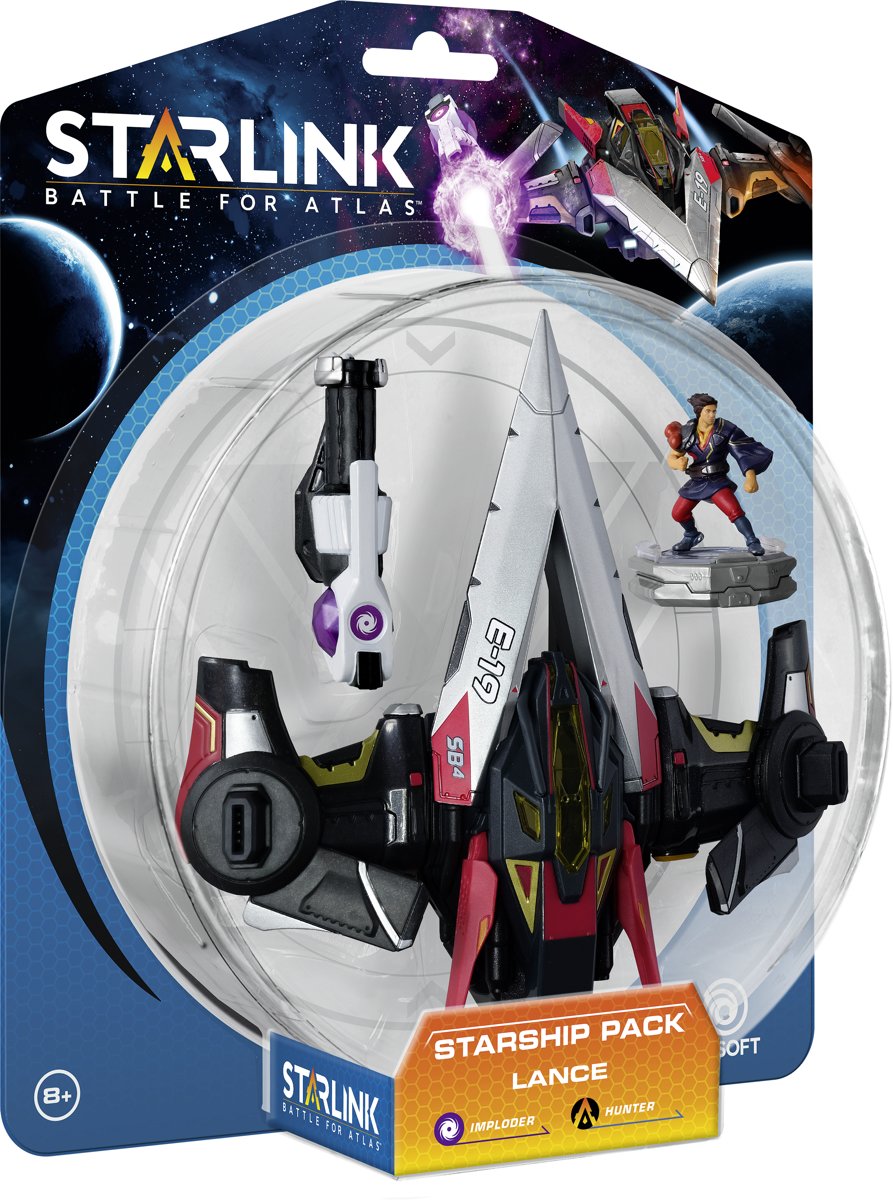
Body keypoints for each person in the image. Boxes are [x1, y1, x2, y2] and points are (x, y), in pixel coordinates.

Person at [666, 393, 773, 556]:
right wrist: (677, 463)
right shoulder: (688, 431)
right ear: (699, 412)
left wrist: (750, 476)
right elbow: (672, 456)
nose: (712, 415)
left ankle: (752, 541)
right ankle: (691, 535)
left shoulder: (725, 429)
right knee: (678, 513)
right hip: (696, 481)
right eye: (708, 411)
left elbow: (742, 450)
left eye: (714, 411)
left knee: (735, 512)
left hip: (717, 481)